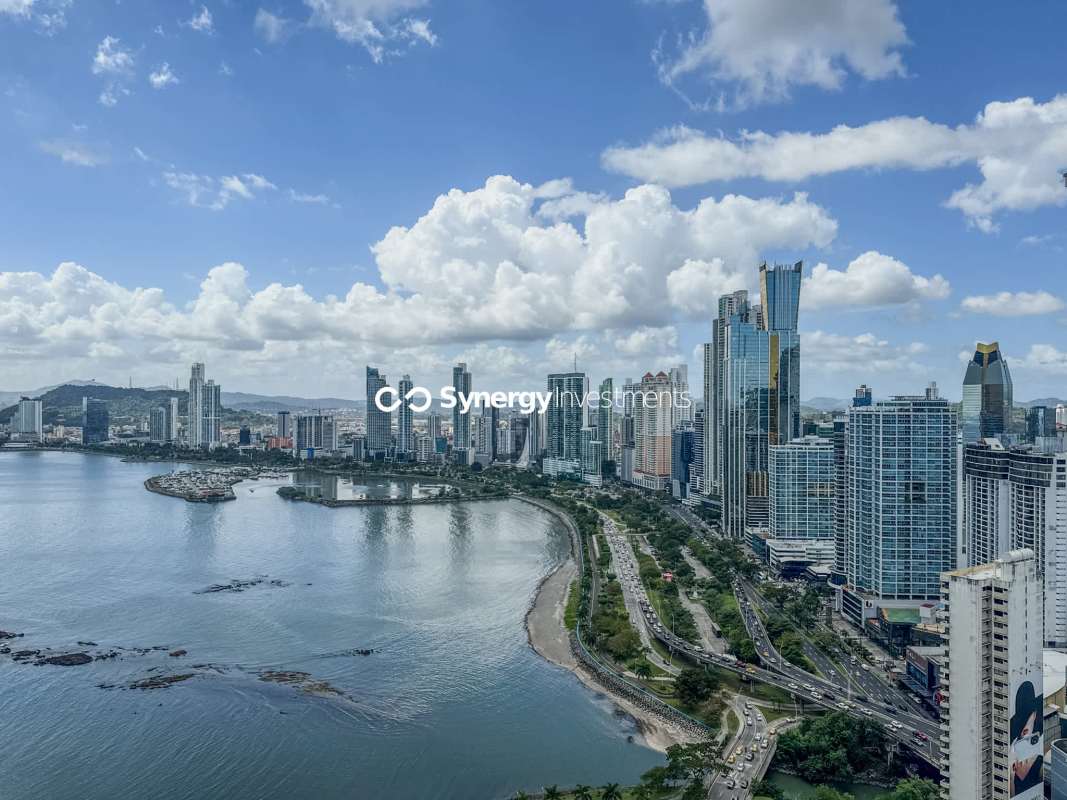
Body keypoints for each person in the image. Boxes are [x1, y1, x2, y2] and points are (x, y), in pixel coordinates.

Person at [1010, 680, 1043, 795]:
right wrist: (1011, 777)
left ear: (1034, 715)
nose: (1023, 734)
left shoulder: (1040, 761)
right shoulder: (1014, 753)